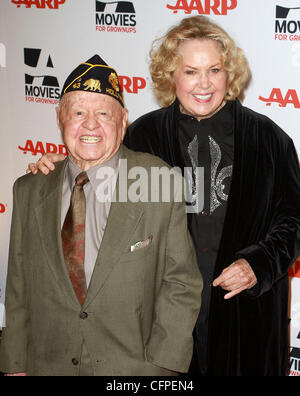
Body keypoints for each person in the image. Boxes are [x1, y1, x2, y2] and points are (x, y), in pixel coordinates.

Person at [27, 16, 300, 376]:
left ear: (228, 73)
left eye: (214, 70)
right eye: (191, 71)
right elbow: (96, 181)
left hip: (245, 315)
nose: (204, 84)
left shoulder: (270, 139)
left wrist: (258, 265)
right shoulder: (143, 137)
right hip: (163, 317)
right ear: (171, 75)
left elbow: (294, 220)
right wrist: (58, 169)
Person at [0, 54, 203, 376]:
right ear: (60, 119)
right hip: (46, 365)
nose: (90, 124)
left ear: (122, 121)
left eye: (103, 114)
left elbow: (181, 282)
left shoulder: (157, 181)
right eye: (78, 112)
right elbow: (18, 286)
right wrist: (14, 364)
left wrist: (163, 366)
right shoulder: (29, 189)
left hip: (134, 369)